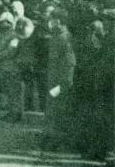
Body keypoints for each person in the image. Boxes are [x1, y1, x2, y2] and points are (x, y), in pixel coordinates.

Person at [41, 9, 75, 152]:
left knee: (59, 112)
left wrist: (63, 84)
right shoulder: (56, 36)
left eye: (52, 19)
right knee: (52, 111)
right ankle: (50, 138)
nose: (50, 22)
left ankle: (57, 142)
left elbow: (70, 63)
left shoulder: (65, 38)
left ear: (58, 21)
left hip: (60, 83)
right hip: (53, 81)